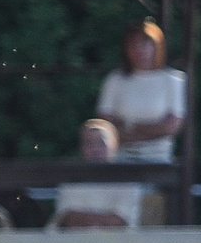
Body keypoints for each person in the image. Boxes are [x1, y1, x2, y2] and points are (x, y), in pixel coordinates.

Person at [95, 20, 187, 164]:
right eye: (133, 45)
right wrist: (149, 128)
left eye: (145, 43)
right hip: (120, 158)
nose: (139, 50)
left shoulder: (174, 80)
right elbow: (105, 125)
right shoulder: (115, 79)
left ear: (157, 45)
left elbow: (171, 126)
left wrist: (129, 129)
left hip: (158, 160)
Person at [50, 118, 146, 231]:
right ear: (81, 147)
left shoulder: (128, 178)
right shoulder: (70, 177)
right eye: (89, 143)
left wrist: (88, 221)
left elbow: (119, 221)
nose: (95, 149)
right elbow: (69, 219)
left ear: (115, 145)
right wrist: (100, 221)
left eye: (101, 143)